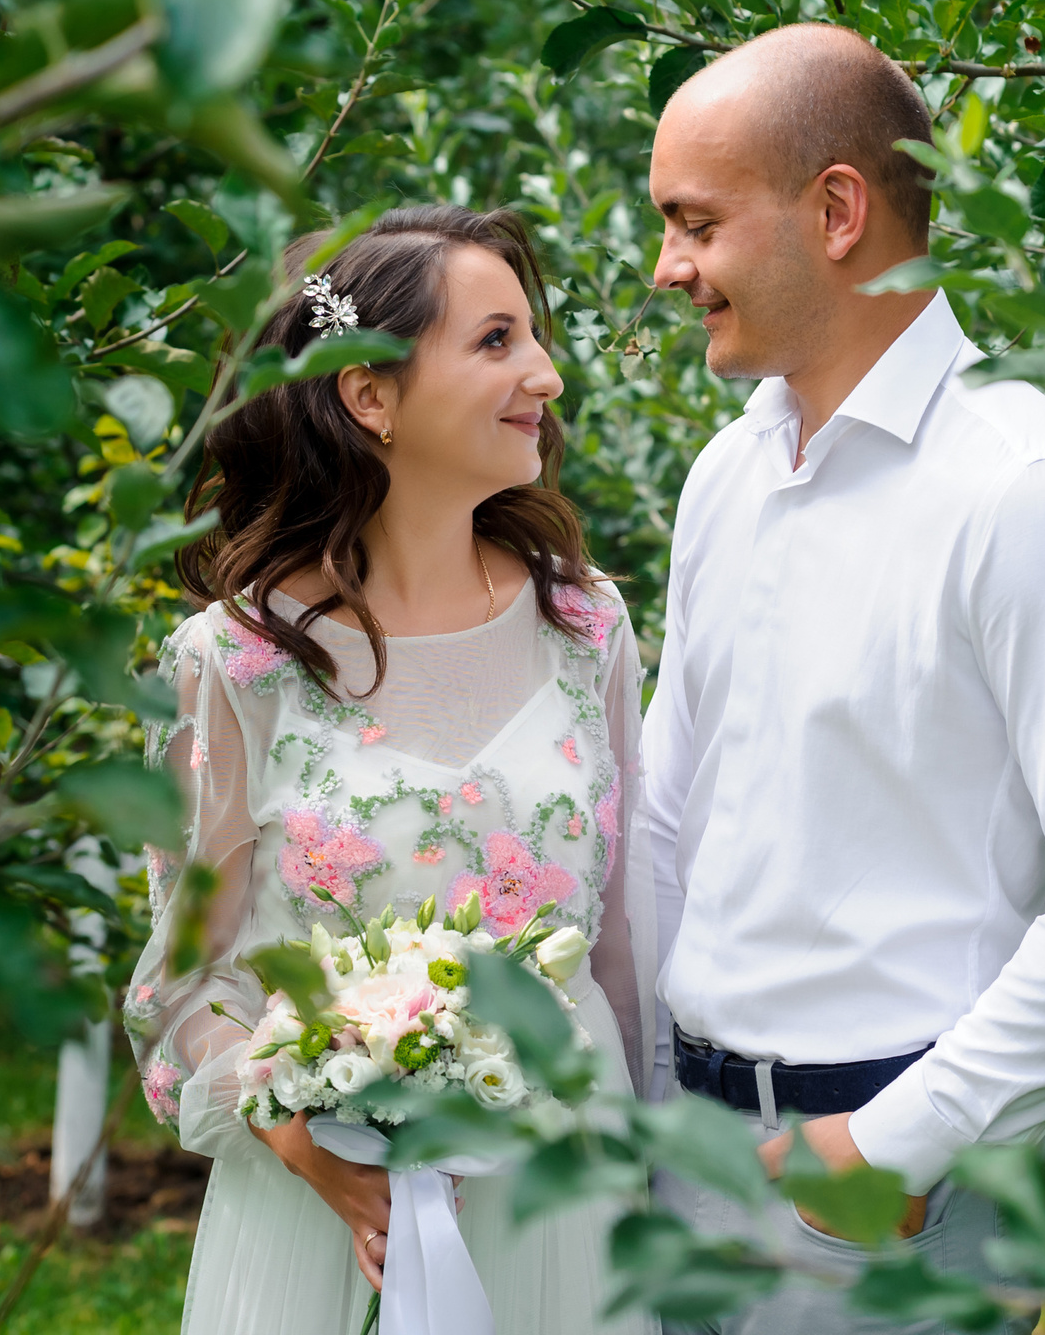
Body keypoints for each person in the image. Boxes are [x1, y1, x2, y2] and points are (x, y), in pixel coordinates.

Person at [640, 24, 1045, 1333]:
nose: (669, 268)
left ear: (836, 210)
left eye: (695, 223)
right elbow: (675, 811)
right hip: (688, 1157)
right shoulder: (727, 474)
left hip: (884, 1207)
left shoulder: (1023, 495)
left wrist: (897, 1146)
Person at [126, 205, 656, 1335]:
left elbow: (624, 953)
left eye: (534, 338)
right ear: (369, 394)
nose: (547, 376)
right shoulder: (239, 663)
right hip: (324, 1231)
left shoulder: (587, 626)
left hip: (567, 1205)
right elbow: (179, 995)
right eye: (497, 341)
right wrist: (303, 1140)